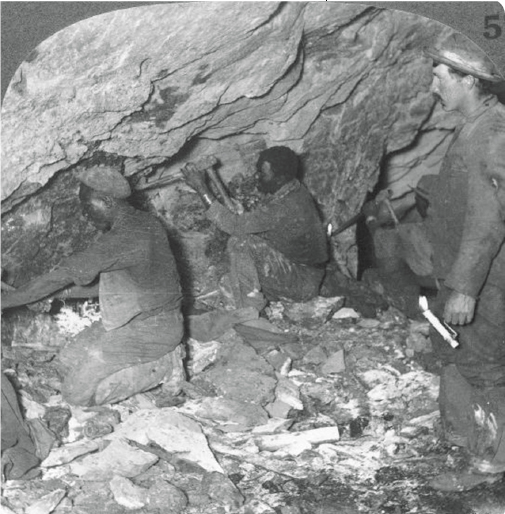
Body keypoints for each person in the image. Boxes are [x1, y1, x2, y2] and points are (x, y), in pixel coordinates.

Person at [366, 32, 505, 491]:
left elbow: (489, 221)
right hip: (460, 275)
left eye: (440, 76)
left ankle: (492, 467)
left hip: (486, 284)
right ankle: (461, 439)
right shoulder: (474, 128)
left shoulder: (492, 133)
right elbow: (455, 192)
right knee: (456, 354)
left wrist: (465, 287)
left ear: (469, 80)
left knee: (486, 368)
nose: (432, 86)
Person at [2, 166, 185, 407]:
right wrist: (53, 296)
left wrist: (7, 301)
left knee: (76, 395)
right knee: (62, 364)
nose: (85, 214)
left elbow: (60, 276)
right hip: (130, 321)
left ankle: (166, 365)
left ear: (105, 201)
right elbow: (112, 281)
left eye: (87, 206)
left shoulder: (125, 237)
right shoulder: (143, 222)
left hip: (154, 328)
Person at [182, 146, 329, 312]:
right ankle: (256, 296)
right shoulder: (294, 188)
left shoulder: (285, 206)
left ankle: (248, 311)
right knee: (239, 257)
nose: (256, 176)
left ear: (280, 178)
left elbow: (232, 226)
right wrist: (242, 216)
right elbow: (266, 221)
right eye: (257, 170)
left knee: (240, 242)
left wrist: (201, 188)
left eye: (263, 173)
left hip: (301, 282)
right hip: (303, 272)